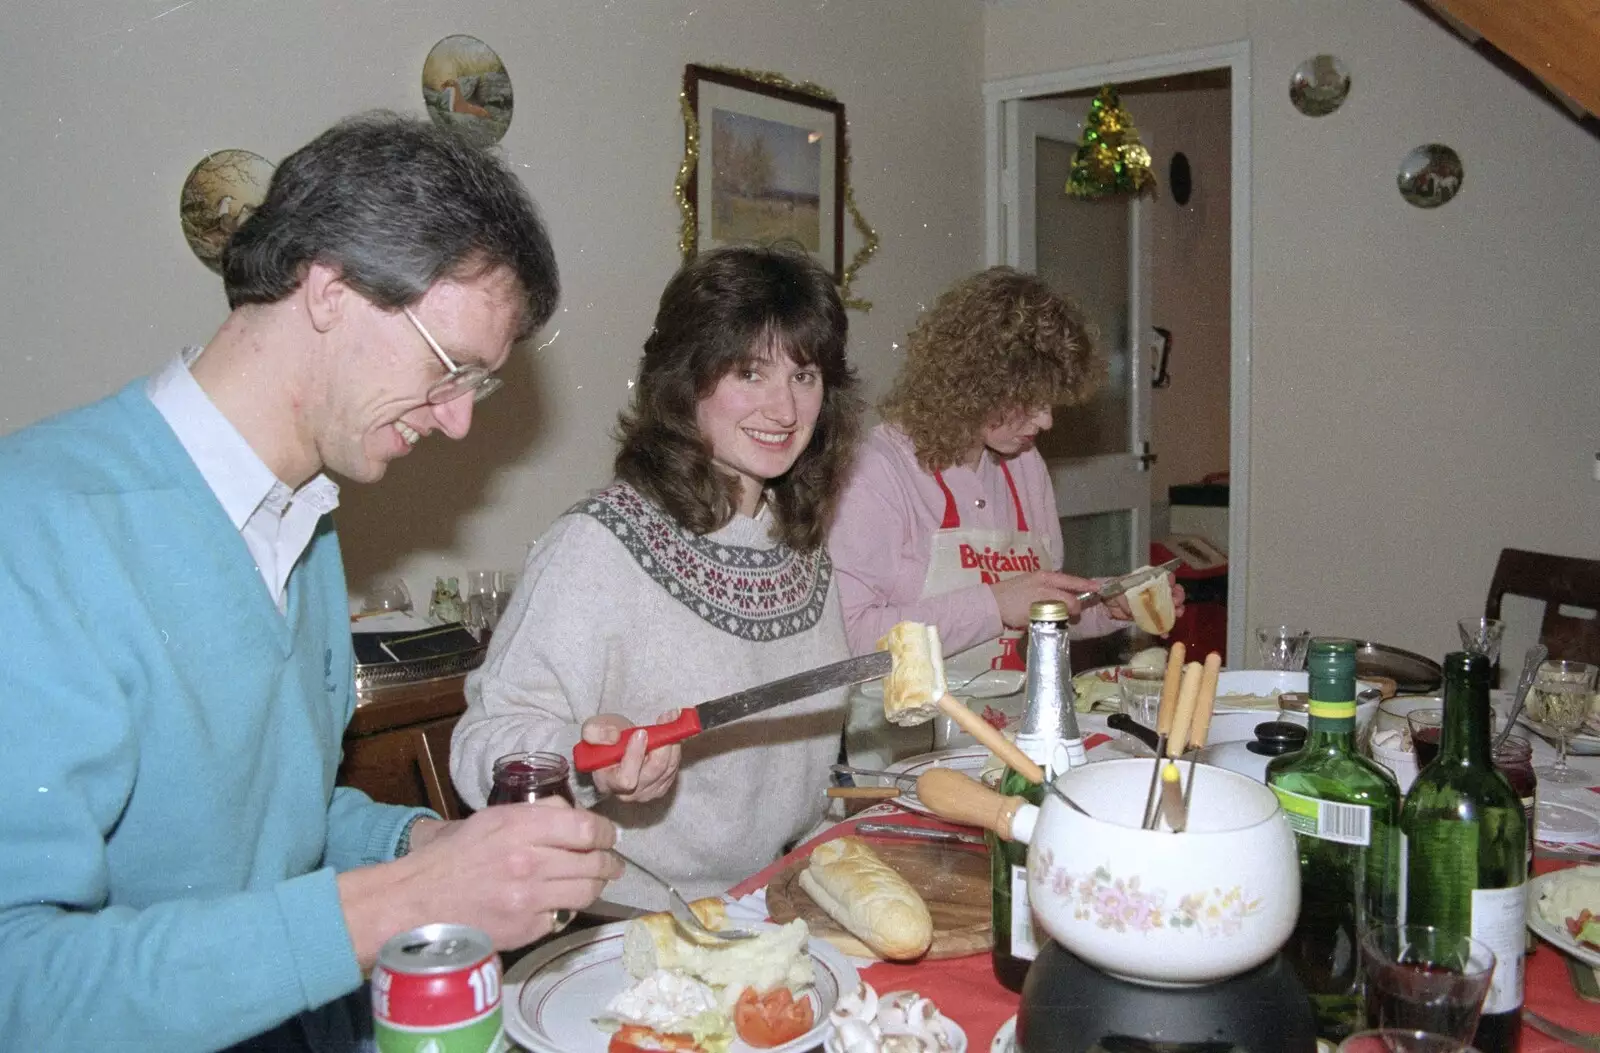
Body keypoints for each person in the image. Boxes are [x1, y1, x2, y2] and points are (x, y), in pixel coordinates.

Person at [0, 112, 621, 1053]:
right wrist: (398, 902)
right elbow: (22, 981)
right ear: (328, 287)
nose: (457, 422)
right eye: (451, 368)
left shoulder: (305, 521)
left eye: (479, 386)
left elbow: (277, 824)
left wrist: (422, 847)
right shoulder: (40, 527)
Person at [451, 243, 862, 908]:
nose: (785, 410)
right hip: (628, 921)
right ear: (684, 381)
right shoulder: (596, 547)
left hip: (779, 900)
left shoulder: (801, 548)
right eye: (750, 373)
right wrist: (583, 755)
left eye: (805, 375)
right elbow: (482, 745)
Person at [829, 267, 1183, 765]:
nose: (1046, 420)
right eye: (1029, 401)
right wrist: (994, 604)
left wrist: (1108, 603)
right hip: (904, 764)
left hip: (1015, 752)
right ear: (972, 383)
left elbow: (1034, 613)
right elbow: (849, 640)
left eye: (1052, 399)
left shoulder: (1024, 467)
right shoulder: (878, 472)